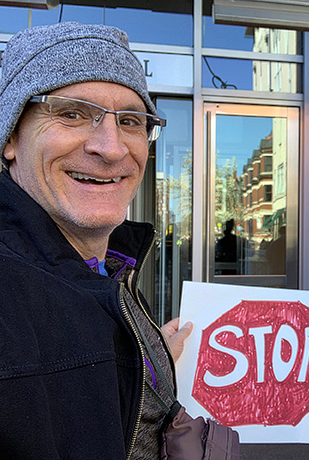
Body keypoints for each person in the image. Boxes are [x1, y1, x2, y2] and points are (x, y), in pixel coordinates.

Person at [0, 22, 212, 458]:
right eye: (72, 114)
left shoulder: (109, 270)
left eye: (131, 121)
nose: (112, 148)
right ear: (11, 138)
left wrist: (147, 360)